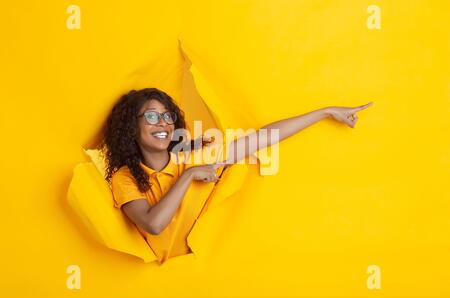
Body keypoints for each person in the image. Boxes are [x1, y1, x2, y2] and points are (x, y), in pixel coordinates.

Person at [101, 87, 373, 241]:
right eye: (150, 116)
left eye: (167, 116)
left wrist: (325, 112)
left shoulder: (197, 156)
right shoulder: (124, 179)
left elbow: (265, 137)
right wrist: (189, 176)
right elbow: (154, 225)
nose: (162, 123)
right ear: (131, 127)